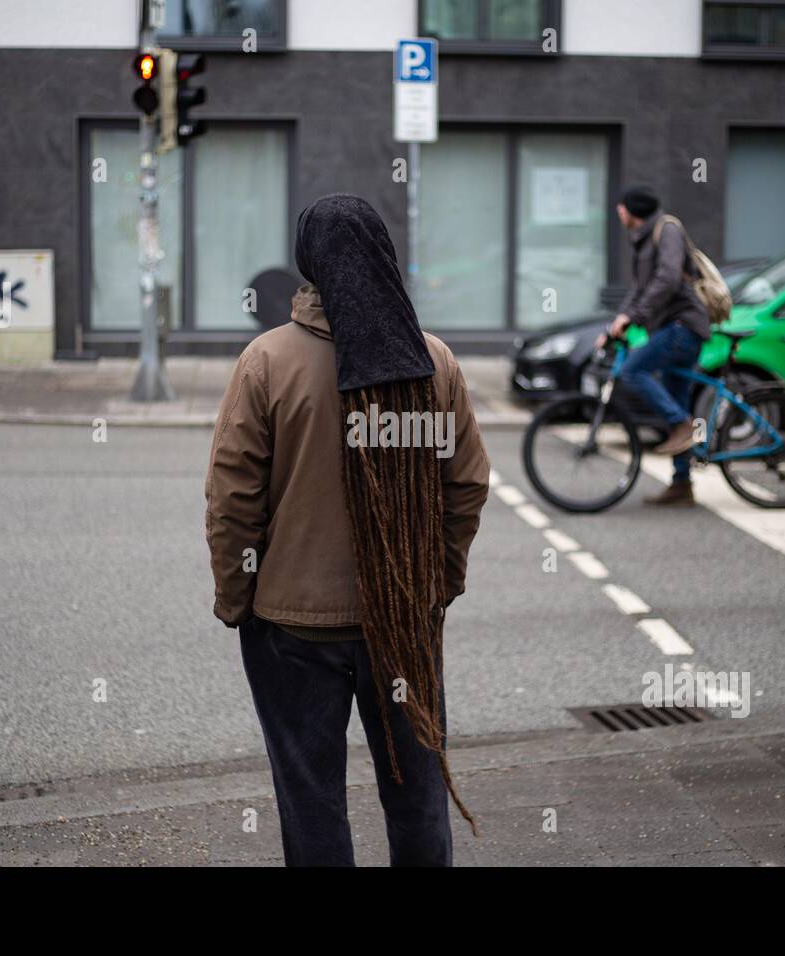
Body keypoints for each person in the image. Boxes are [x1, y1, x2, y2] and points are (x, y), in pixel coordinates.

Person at [205, 193, 490, 867]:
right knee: (417, 792)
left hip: (292, 627)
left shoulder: (267, 362)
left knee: (312, 801)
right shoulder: (432, 361)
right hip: (403, 626)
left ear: (307, 264)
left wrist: (236, 598)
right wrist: (434, 584)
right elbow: (467, 484)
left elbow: (231, 502)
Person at [598, 185, 711, 507]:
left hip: (684, 326)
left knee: (633, 371)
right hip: (670, 327)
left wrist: (633, 316)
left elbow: (668, 279)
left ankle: (682, 424)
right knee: (676, 397)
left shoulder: (668, 230)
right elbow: (640, 288)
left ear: (632, 211)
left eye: (621, 208)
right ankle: (681, 483)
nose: (618, 213)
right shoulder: (644, 240)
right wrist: (617, 323)